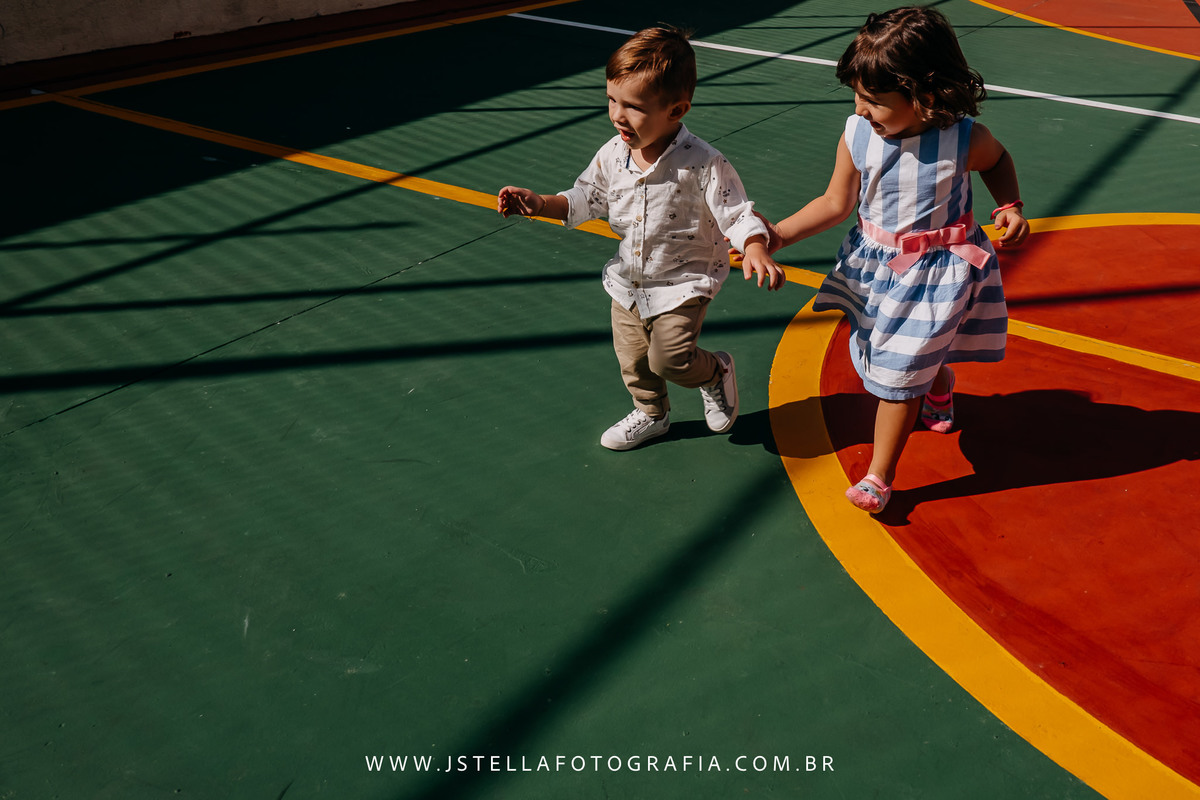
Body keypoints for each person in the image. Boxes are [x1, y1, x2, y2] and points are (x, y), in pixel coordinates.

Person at [761, 6, 1029, 512]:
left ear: (927, 97)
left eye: (875, 101)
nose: (862, 109)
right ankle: (939, 381)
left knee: (899, 373)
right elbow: (835, 203)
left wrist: (1009, 205)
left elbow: (998, 162)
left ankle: (879, 477)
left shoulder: (963, 139)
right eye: (858, 97)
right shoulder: (859, 134)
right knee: (894, 357)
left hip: (939, 273)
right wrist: (777, 235)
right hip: (878, 267)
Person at [497, 24, 784, 451]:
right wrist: (540, 203)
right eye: (612, 99)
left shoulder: (703, 163)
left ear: (676, 109)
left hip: (684, 282)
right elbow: (585, 197)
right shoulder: (612, 153)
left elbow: (736, 212)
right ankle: (653, 415)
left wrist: (755, 246)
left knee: (669, 359)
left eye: (633, 107)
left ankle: (715, 372)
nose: (617, 114)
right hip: (629, 283)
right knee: (634, 362)